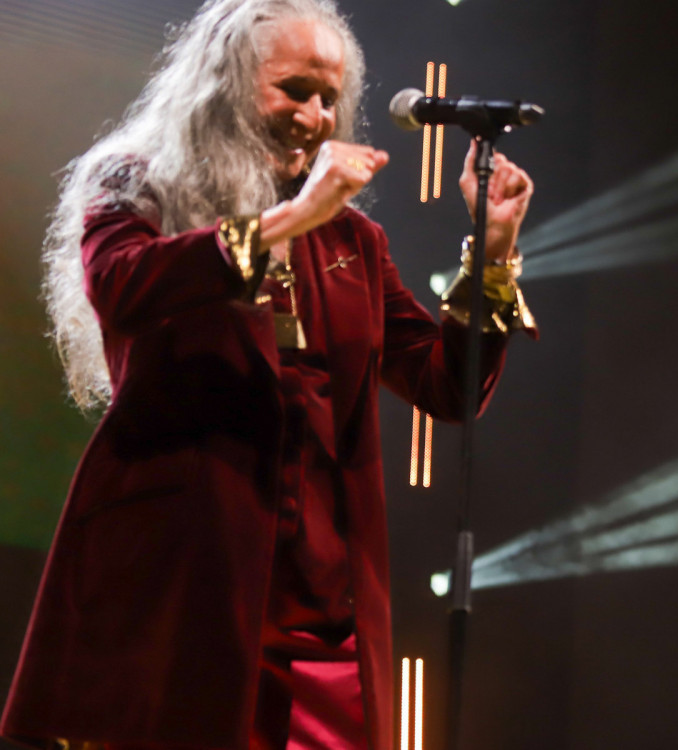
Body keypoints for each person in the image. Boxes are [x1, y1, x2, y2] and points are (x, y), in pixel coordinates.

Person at [2, 1, 535, 748]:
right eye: (293, 90)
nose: (316, 117)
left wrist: (495, 255)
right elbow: (121, 284)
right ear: (225, 85)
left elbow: (445, 384)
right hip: (181, 593)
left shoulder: (353, 239)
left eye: (329, 98)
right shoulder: (138, 184)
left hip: (323, 610)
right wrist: (286, 222)